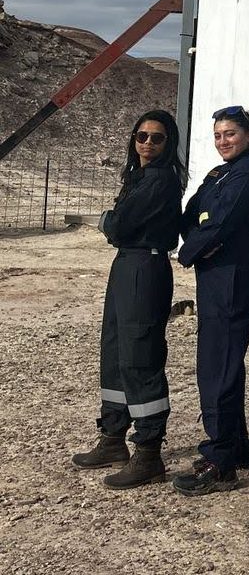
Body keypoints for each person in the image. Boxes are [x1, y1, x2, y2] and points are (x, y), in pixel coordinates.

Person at [72, 110, 186, 489]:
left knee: (140, 355)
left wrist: (110, 220)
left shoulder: (159, 181)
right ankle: (113, 435)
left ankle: (149, 452)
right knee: (115, 349)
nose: (148, 143)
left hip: (145, 265)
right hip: (126, 265)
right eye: (142, 136)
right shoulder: (137, 177)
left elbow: (119, 225)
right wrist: (115, 222)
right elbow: (120, 226)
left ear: (169, 144)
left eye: (157, 138)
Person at [171, 105, 249, 496]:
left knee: (218, 366)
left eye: (230, 133)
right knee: (224, 361)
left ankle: (221, 460)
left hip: (233, 276)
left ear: (248, 135)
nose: (223, 141)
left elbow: (220, 223)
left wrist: (189, 250)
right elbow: (195, 212)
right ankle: (238, 445)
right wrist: (199, 239)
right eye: (217, 135)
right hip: (214, 275)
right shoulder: (220, 173)